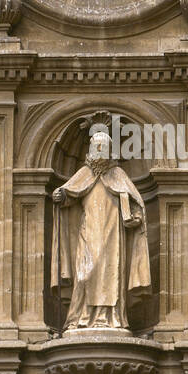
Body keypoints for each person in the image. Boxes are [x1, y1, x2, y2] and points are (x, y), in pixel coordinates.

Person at [50, 129, 151, 330]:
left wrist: (136, 216)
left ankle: (114, 319)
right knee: (84, 275)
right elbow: (69, 193)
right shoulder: (84, 174)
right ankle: (81, 317)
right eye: (97, 146)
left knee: (111, 274)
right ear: (90, 149)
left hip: (114, 236)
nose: (100, 150)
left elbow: (136, 203)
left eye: (104, 147)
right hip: (88, 233)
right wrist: (60, 196)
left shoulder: (118, 174)